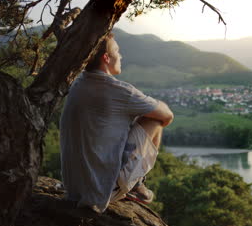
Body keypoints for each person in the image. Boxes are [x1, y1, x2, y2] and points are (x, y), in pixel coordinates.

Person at [59, 32, 174, 213]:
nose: (121, 56)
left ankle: (127, 179)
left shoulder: (78, 83)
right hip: (100, 193)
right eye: (117, 51)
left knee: (132, 118)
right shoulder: (120, 91)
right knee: (153, 122)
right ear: (106, 58)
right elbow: (167, 116)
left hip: (75, 188)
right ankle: (136, 184)